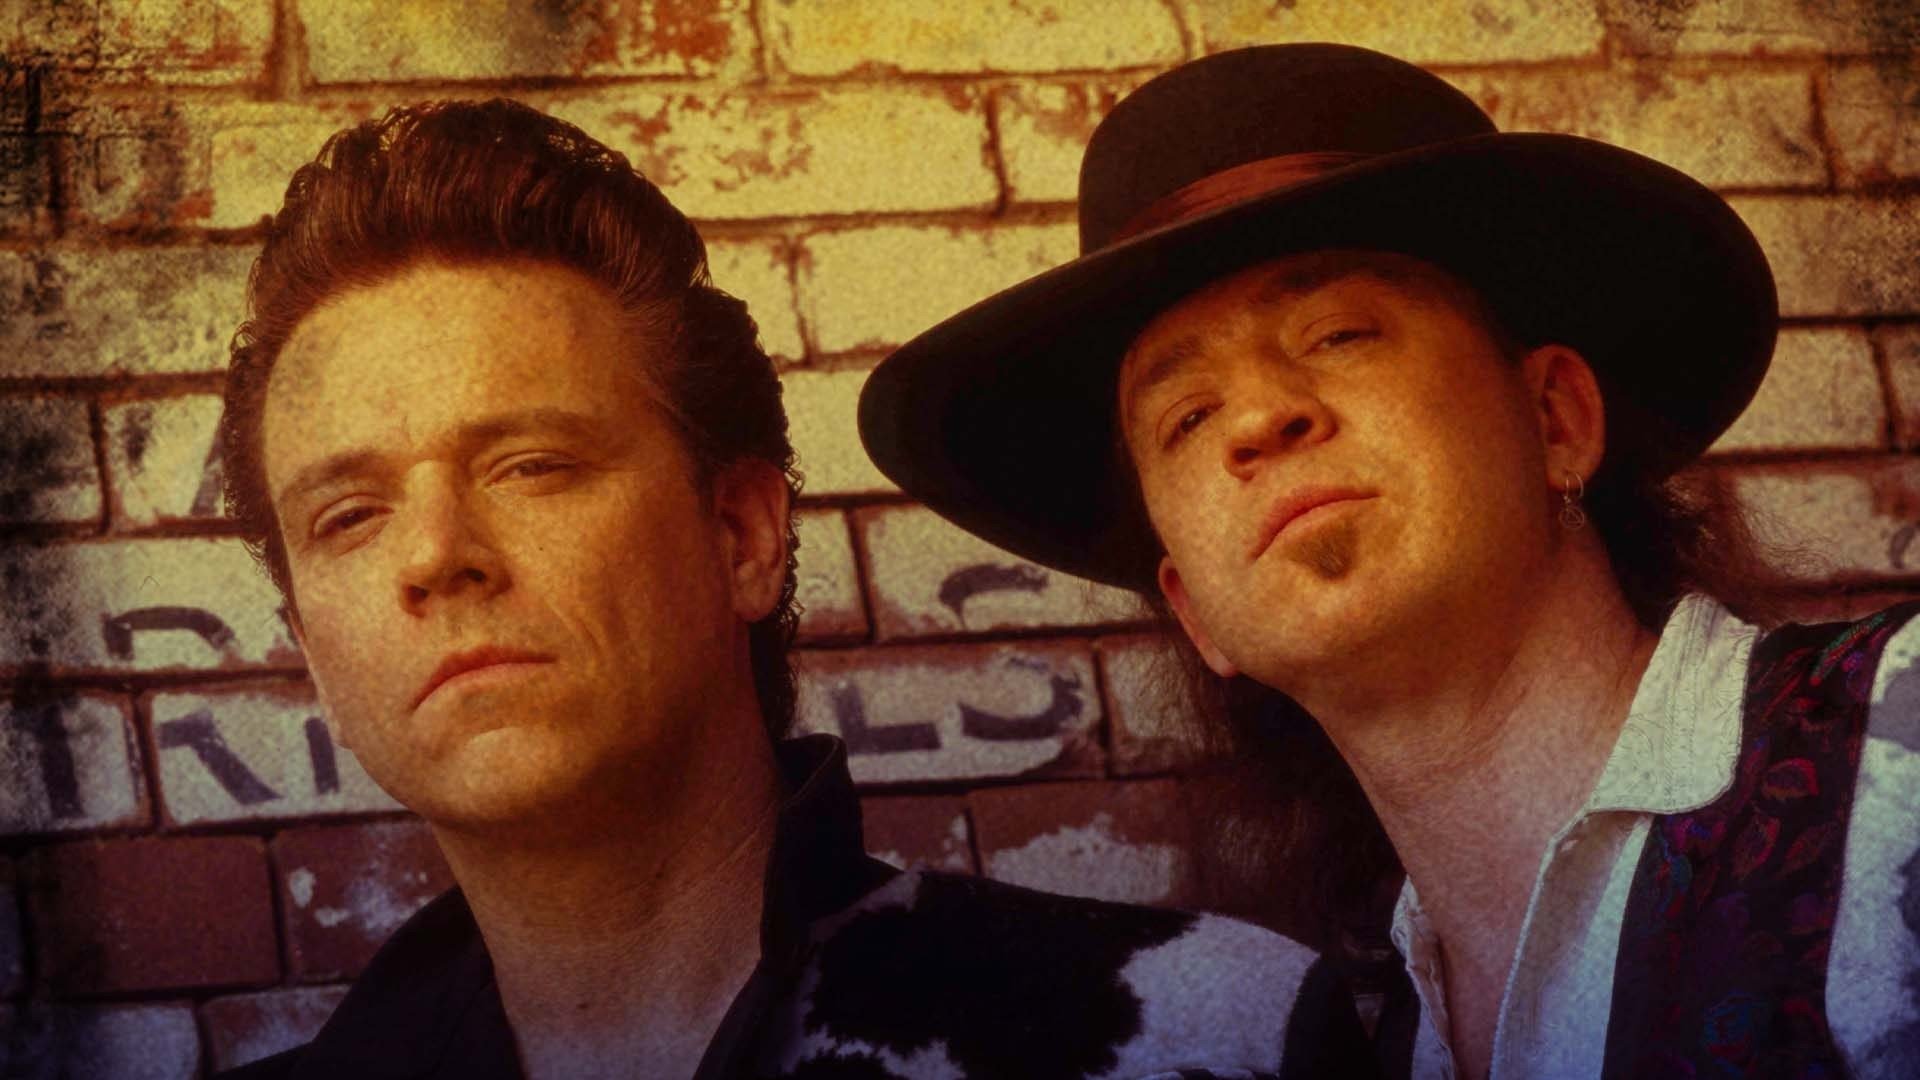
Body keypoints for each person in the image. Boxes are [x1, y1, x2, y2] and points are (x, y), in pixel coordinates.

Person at [212, 98, 1377, 1080]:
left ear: (741, 536)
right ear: (311, 647)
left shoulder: (1203, 1034)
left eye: (532, 466)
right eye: (348, 516)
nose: (434, 555)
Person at [859, 43, 1920, 1080]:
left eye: (1340, 335)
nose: (1260, 419)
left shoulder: (1897, 751)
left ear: (1554, 420)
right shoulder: (1358, 1035)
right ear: (1196, 612)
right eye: (1187, 416)